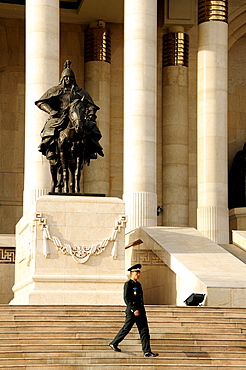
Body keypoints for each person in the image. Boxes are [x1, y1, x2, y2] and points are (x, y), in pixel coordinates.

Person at [35, 60, 104, 164]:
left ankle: (93, 148)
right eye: (66, 77)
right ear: (62, 78)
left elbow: (91, 106)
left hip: (77, 117)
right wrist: (51, 111)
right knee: (49, 126)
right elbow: (41, 102)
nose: (68, 79)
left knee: (92, 127)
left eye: (70, 77)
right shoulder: (56, 90)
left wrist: (91, 114)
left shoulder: (80, 92)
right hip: (59, 116)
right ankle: (48, 147)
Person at [109, 264, 159, 358]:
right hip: (132, 312)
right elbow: (126, 298)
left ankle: (147, 351)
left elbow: (140, 299)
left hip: (140, 311)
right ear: (132, 273)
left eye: (139, 272)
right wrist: (133, 309)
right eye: (136, 272)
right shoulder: (128, 284)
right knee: (126, 328)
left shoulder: (138, 284)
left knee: (144, 331)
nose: (138, 274)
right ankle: (114, 343)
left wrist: (141, 310)